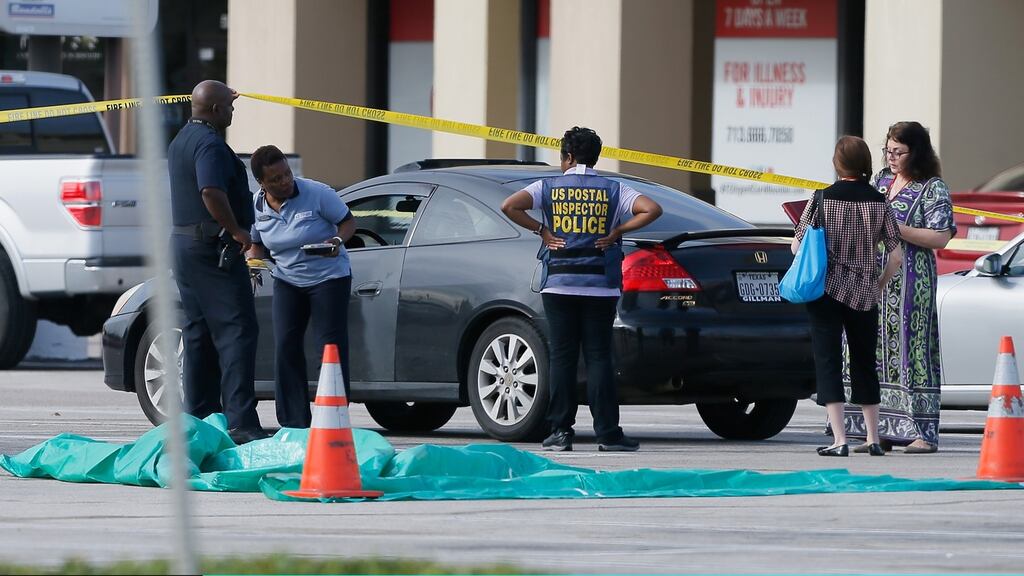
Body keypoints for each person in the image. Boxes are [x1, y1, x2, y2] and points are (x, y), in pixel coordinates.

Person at [501, 126, 662, 452]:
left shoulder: (548, 186)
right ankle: (608, 434)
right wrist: (618, 229)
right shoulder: (614, 189)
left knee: (562, 358)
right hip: (599, 286)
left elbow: (510, 206)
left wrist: (542, 230)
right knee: (599, 357)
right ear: (595, 157)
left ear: (568, 157)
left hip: (559, 284)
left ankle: (560, 432)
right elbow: (652, 209)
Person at [844, 121, 955, 454]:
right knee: (869, 350)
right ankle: (876, 431)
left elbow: (941, 236)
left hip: (911, 283)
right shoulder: (879, 181)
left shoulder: (932, 187)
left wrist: (895, 227)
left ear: (915, 152)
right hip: (871, 280)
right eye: (888, 150)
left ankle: (922, 431)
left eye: (899, 152)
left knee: (912, 350)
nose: (891, 157)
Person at [168, 80, 266, 444]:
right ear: (215, 111)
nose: (233, 112)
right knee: (237, 331)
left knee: (199, 333)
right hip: (211, 248)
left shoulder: (181, 139)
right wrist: (239, 231)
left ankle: (200, 418)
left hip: (184, 244)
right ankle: (241, 422)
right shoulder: (209, 144)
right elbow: (210, 190)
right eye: (229, 107)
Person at [793, 136, 903, 457]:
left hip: (826, 291)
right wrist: (878, 286)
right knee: (865, 362)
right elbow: (895, 256)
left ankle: (840, 440)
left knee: (828, 361)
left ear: (837, 164)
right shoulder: (879, 201)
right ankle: (872, 438)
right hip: (865, 293)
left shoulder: (822, 199)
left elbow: (796, 246)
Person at [245, 146, 356, 429]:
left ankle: (333, 417)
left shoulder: (318, 193)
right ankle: (294, 422)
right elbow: (256, 243)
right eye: (276, 179)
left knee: (329, 347)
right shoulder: (255, 206)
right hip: (288, 280)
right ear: (262, 183)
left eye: (287, 174)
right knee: (286, 346)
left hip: (329, 277)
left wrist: (337, 242)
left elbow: (348, 223)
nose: (285, 181)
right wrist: (253, 260)